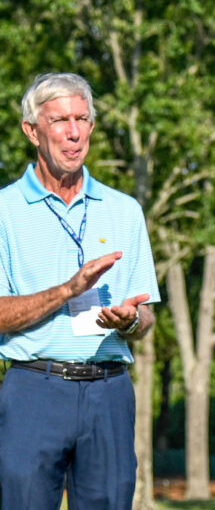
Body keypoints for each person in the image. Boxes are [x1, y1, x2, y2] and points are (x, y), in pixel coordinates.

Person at [0, 72, 159, 510]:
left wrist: (131, 319)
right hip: (34, 388)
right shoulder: (4, 211)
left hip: (108, 392)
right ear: (32, 131)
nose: (73, 132)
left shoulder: (125, 210)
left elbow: (147, 315)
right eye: (59, 121)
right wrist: (68, 290)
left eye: (82, 119)